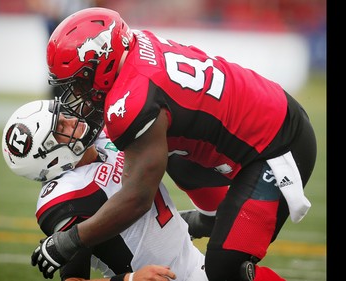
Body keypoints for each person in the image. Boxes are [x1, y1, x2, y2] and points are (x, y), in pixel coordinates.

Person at [31, 7, 317, 281]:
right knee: (170, 141)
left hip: (277, 146)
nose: (79, 92)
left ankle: (216, 227)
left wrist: (67, 242)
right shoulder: (135, 44)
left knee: (225, 269)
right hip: (268, 114)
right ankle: (210, 218)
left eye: (81, 81)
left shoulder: (132, 99)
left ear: (103, 61)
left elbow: (137, 199)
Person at [1, 99, 208, 281]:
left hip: (197, 263)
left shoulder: (105, 138)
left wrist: (203, 221)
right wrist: (130, 279)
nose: (73, 121)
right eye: (61, 128)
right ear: (50, 157)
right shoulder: (69, 197)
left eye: (64, 116)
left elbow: (147, 225)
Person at [26, 0, 104, 99]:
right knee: (60, 63)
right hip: (59, 21)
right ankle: (62, 95)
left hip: (77, 22)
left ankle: (69, 94)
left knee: (76, 63)